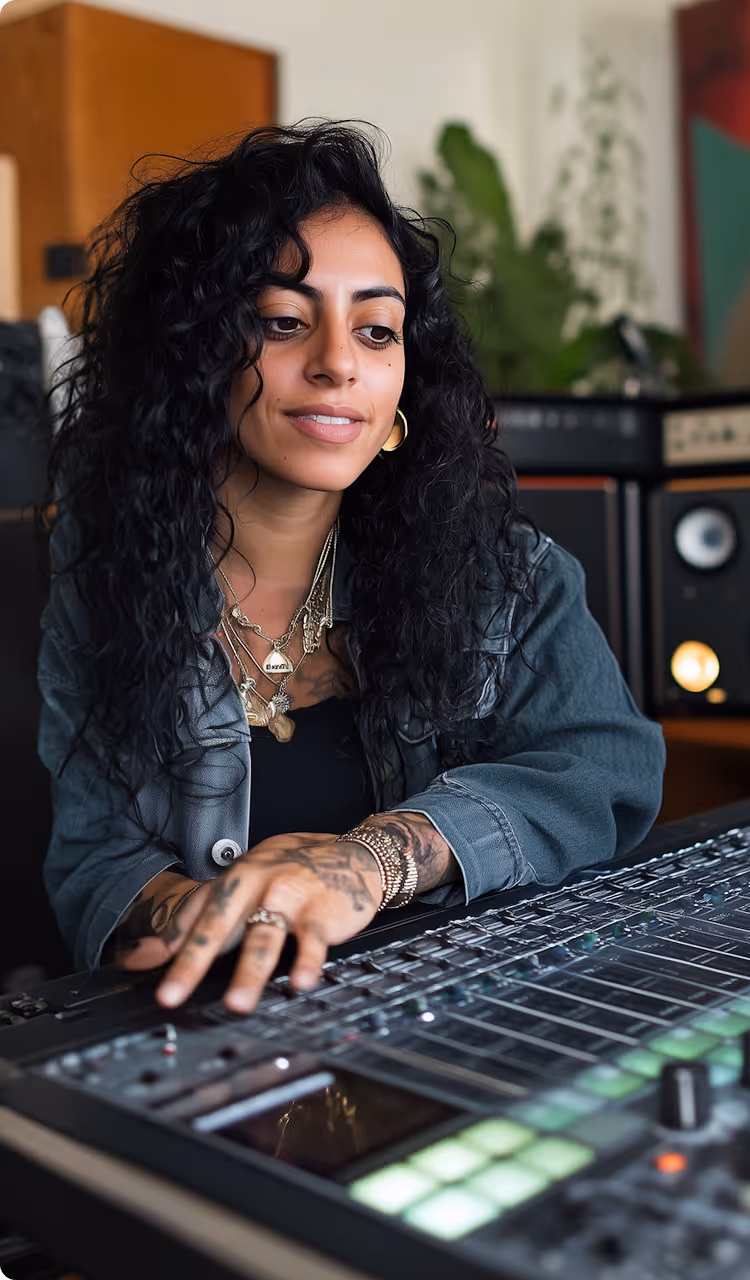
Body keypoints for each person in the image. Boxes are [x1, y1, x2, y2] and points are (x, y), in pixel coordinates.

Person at [38, 122, 664, 1015]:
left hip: (462, 1025)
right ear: (193, 358)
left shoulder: (508, 574)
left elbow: (608, 769)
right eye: (285, 322)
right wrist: (210, 913)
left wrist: (378, 858)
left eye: (377, 331)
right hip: (219, 1051)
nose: (338, 364)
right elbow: (93, 858)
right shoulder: (102, 577)